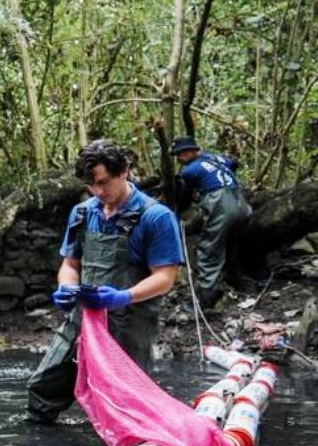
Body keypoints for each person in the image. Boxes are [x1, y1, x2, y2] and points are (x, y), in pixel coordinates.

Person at [24, 138, 184, 427]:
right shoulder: (84, 213)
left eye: (104, 182)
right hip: (82, 319)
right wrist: (65, 287)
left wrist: (122, 296)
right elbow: (70, 265)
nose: (98, 192)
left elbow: (165, 277)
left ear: (125, 171)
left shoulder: (156, 217)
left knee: (127, 406)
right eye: (91, 186)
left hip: (129, 322)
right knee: (44, 387)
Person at [170, 136, 253, 309]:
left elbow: (186, 196)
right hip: (242, 204)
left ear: (190, 152)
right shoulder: (216, 158)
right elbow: (234, 162)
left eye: (179, 154)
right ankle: (238, 282)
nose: (178, 159)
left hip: (222, 205)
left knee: (209, 251)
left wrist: (177, 210)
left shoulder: (190, 170)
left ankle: (206, 300)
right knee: (229, 244)